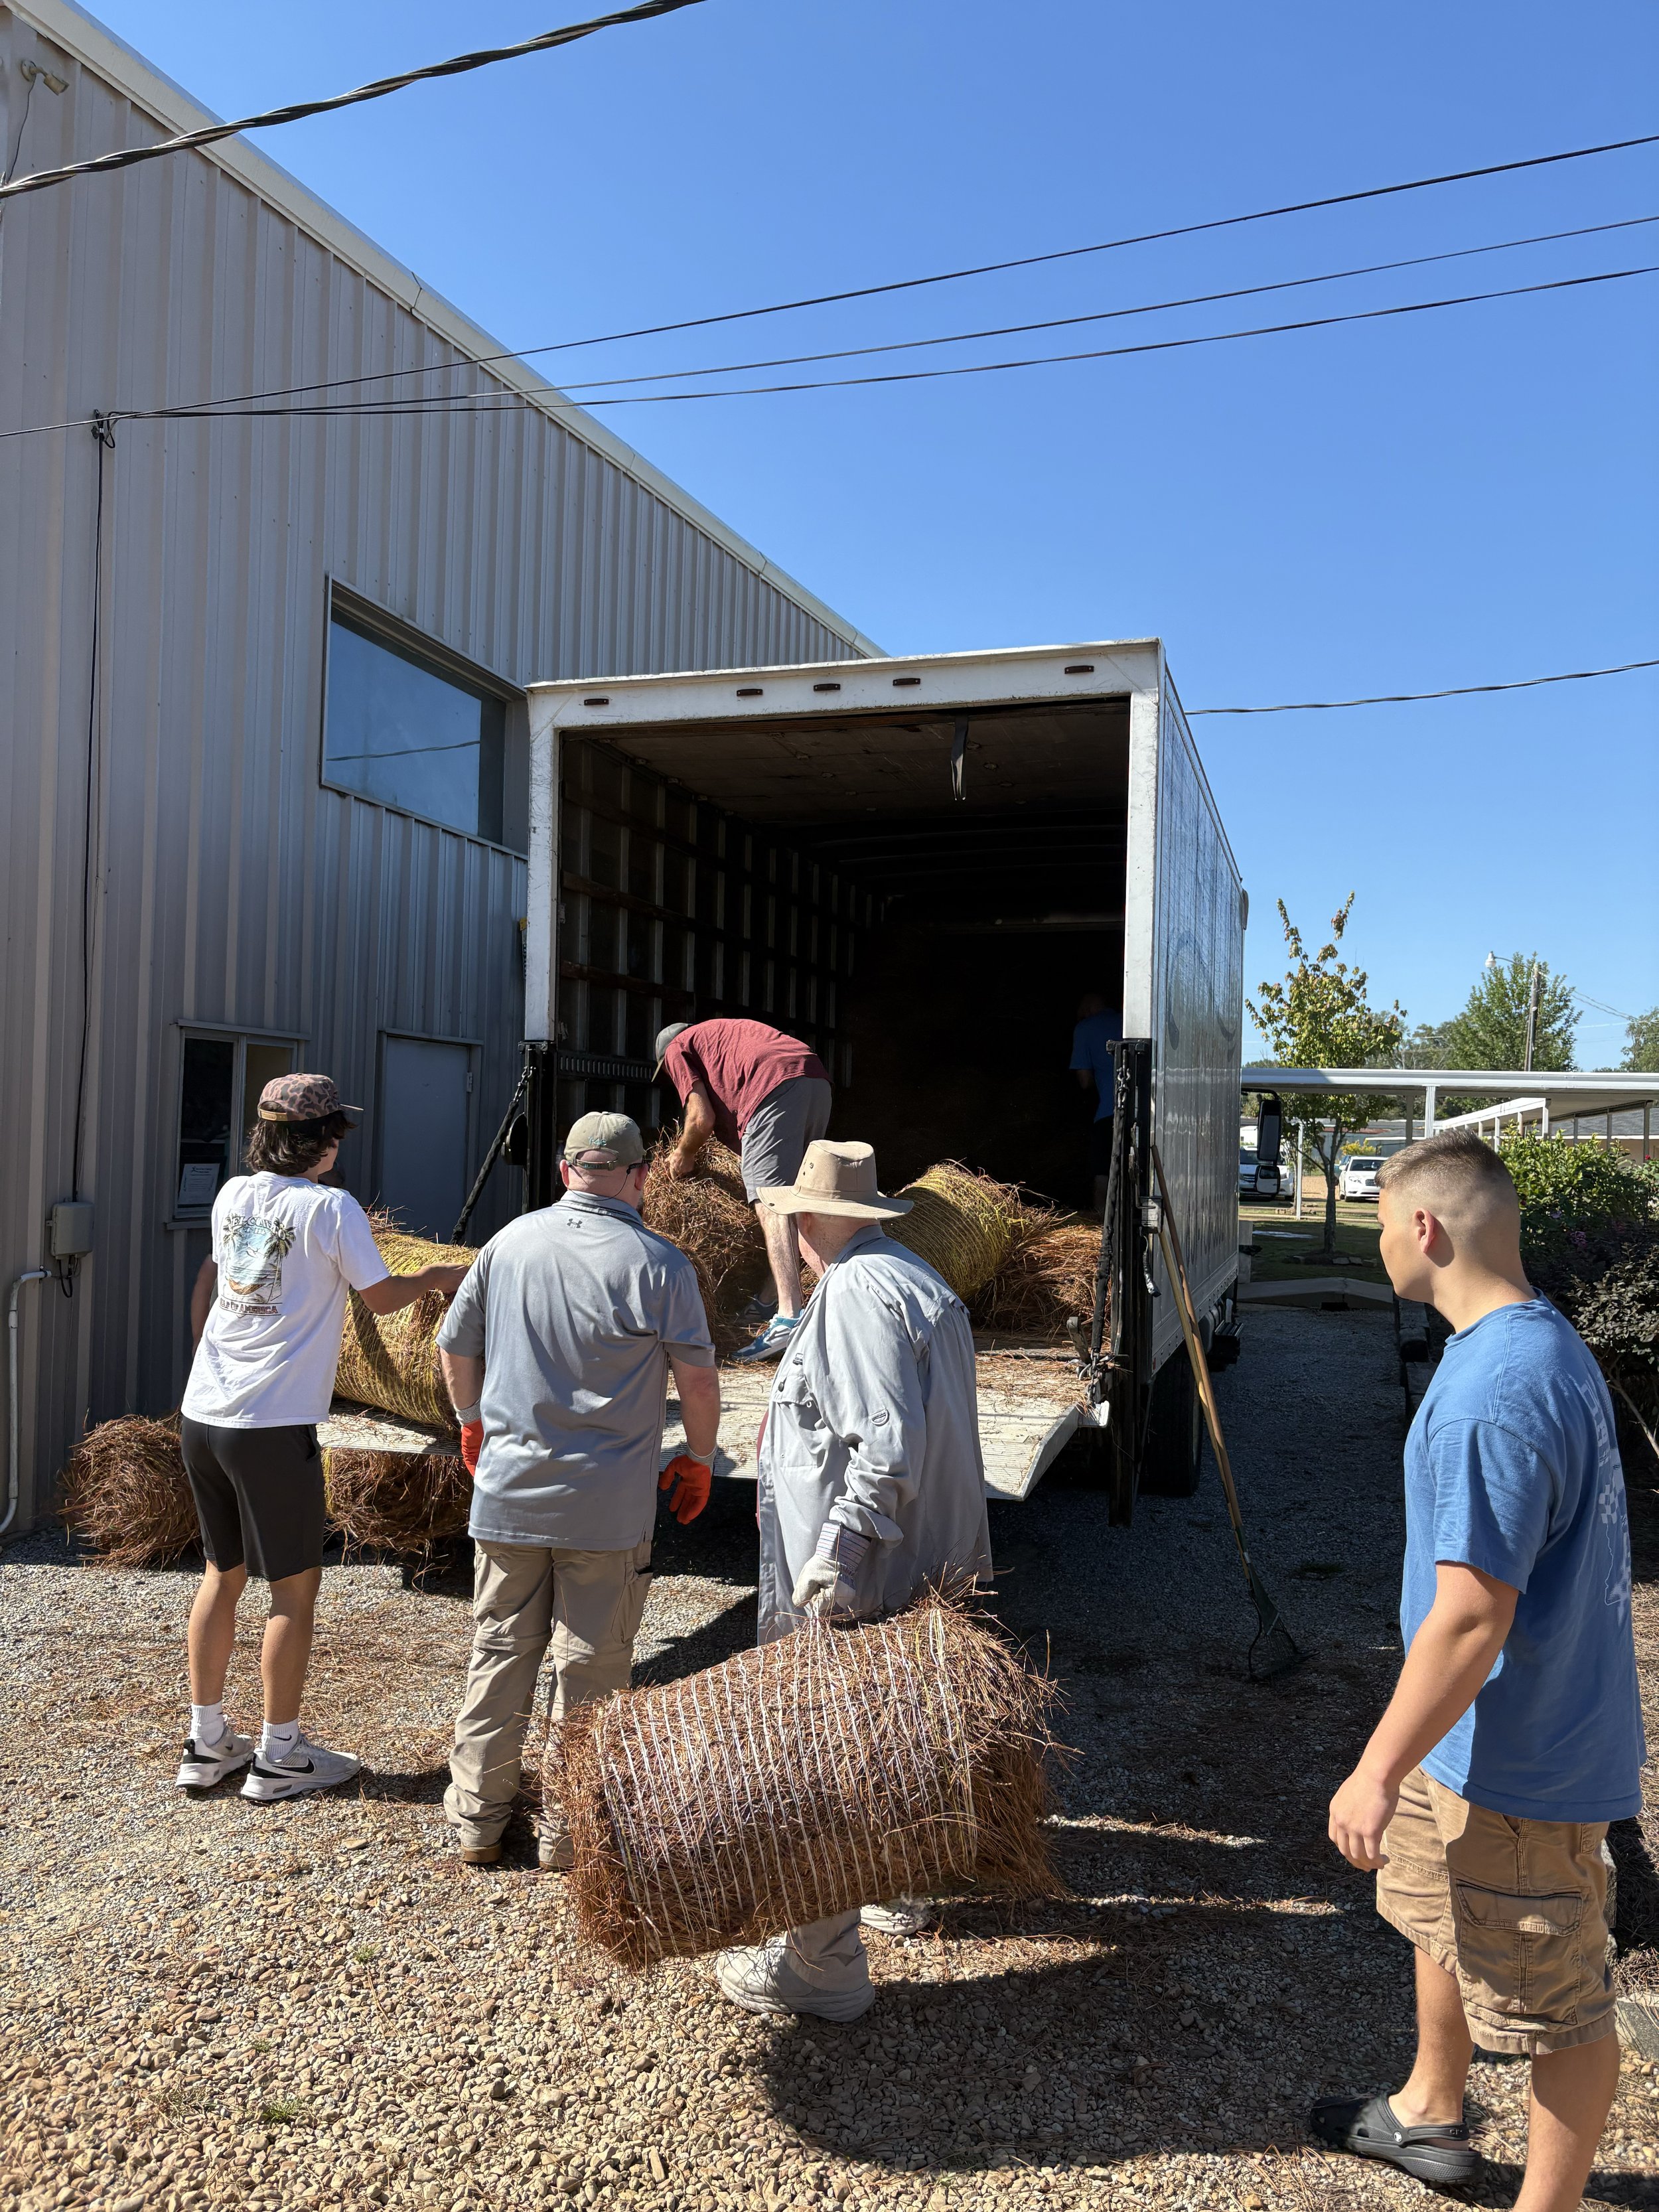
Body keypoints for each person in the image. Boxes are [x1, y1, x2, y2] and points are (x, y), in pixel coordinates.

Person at [1315, 1131, 1642, 2209]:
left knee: (1560, 2002)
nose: (1378, 1249)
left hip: (1522, 1762)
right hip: (1473, 1740)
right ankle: (1430, 2109)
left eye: (1377, 1228)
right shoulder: (1536, 1341)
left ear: (1424, 1228)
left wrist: (1374, 1765)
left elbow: (1469, 1616)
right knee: (1433, 1915)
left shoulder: (1491, 1391)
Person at [713, 1140, 994, 2022]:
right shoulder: (908, 1277)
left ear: (810, 1220)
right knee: (886, 1740)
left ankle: (822, 1962)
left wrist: (836, 1552)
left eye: (793, 1212)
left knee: (823, 1758)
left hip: (862, 1571)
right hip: (911, 1559)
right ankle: (892, 1883)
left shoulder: (859, 1294)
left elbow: (884, 1442)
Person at [437, 1111, 721, 1870]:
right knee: (591, 1664)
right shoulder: (660, 1264)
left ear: (567, 1171)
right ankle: (569, 1835)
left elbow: (453, 1343)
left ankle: (478, 1825)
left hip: (506, 1498)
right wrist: (698, 1457)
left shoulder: (507, 1244)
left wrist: (471, 1421)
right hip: (605, 1509)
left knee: (499, 1653)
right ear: (639, 1176)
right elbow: (696, 1377)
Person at [177, 1074, 468, 1802]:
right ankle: (281, 1755)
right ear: (322, 1141)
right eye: (336, 1133)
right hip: (271, 1428)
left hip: (204, 1414)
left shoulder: (232, 1196)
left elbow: (211, 1286)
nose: (339, 1144)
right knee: (293, 1595)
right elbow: (379, 1297)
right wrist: (435, 1276)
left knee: (223, 1575)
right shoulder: (332, 1208)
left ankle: (207, 1742)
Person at [654, 1016, 833, 1363]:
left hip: (773, 1086)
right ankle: (774, 1300)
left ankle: (789, 1316)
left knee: (772, 1202)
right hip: (814, 1079)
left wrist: (684, 1154)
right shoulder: (721, 1037)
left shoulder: (678, 1047)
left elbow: (699, 1118)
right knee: (801, 1198)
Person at [1069, 991, 1123, 1216]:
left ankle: (1101, 1234)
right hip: (1145, 1114)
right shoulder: (1127, 1021)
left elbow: (1084, 1082)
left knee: (1103, 1176)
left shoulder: (1085, 1029)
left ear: (1089, 1010)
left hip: (1108, 1114)